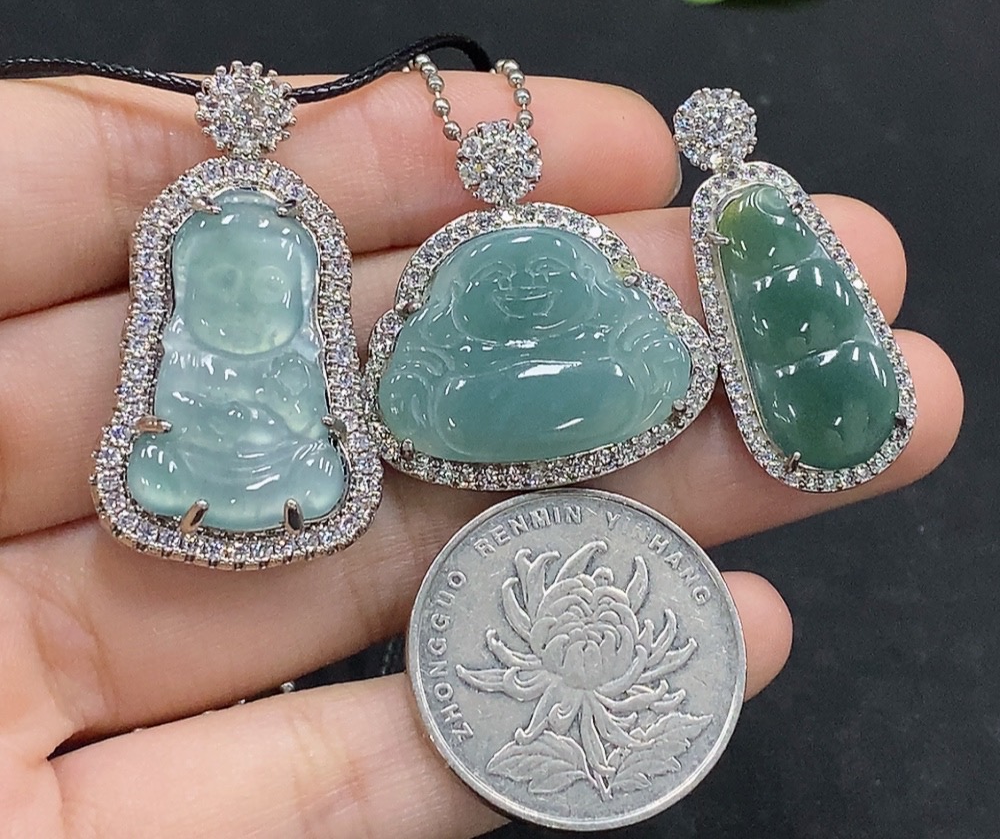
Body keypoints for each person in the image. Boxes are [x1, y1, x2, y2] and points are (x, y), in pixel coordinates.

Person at [0, 71, 962, 838]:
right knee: (195, 457)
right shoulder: (205, 342)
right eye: (222, 284)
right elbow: (332, 381)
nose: (247, 303)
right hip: (237, 449)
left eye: (266, 286)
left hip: (361, 446)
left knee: (311, 461)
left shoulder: (598, 299)